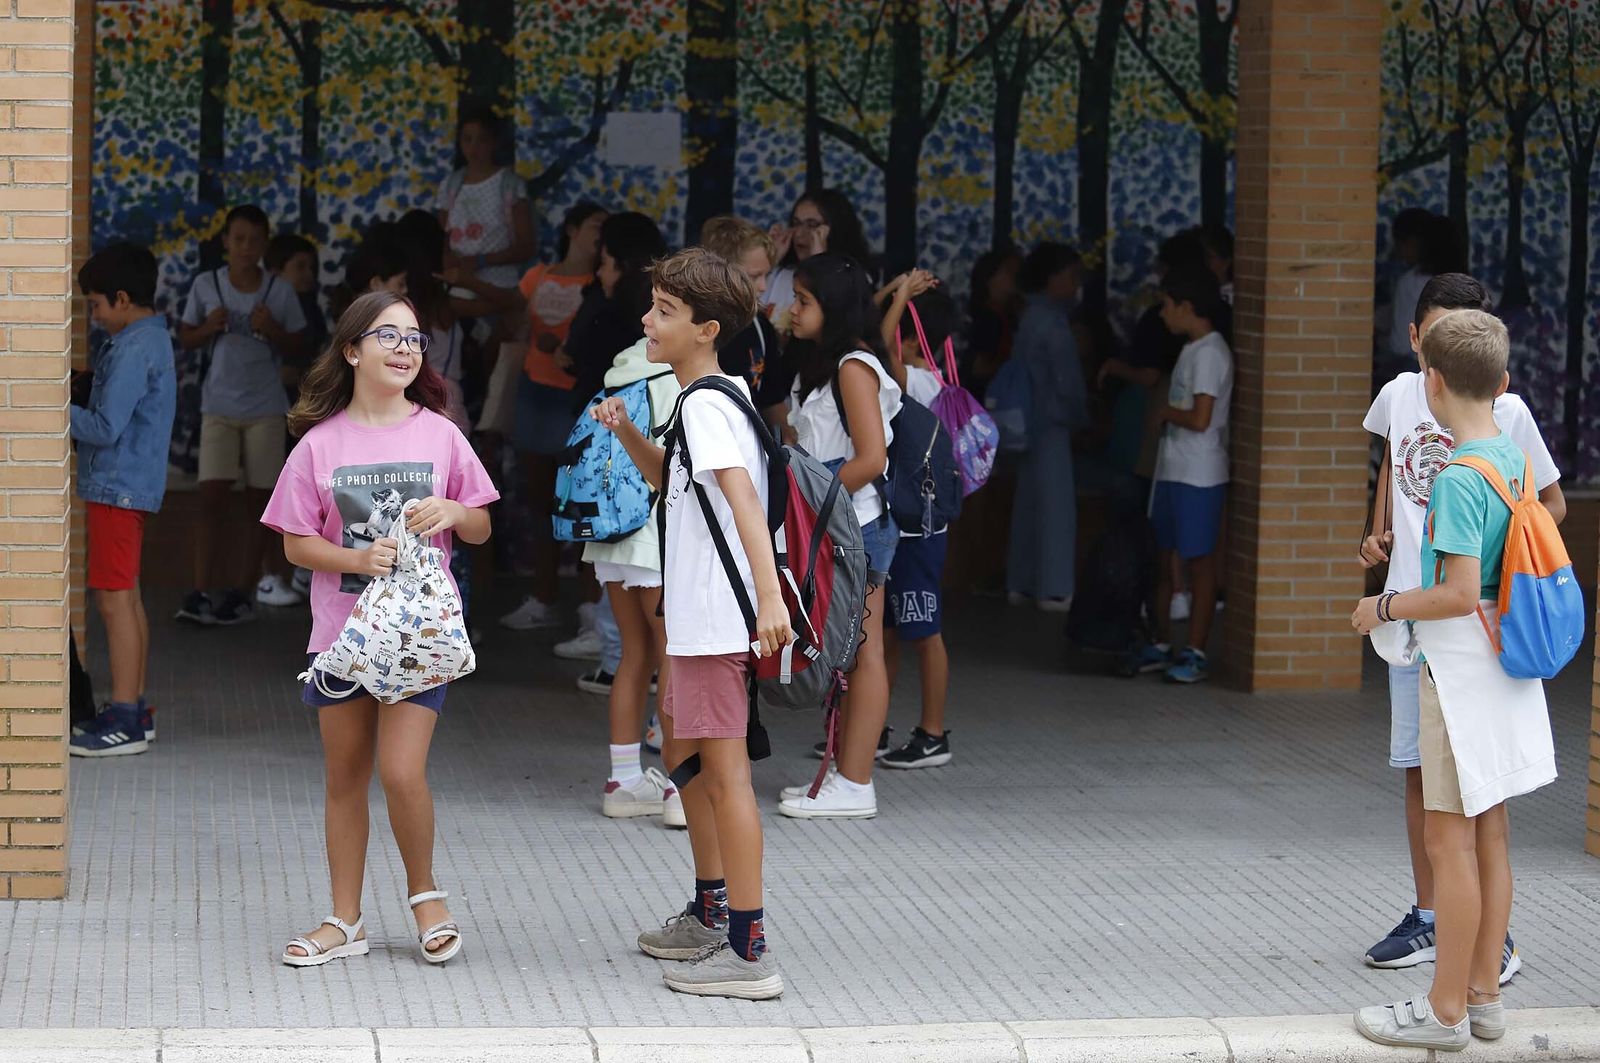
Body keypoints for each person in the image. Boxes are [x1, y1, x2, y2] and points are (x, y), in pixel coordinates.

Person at [261, 291, 498, 969]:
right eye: (387, 335)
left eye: (414, 338)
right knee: (345, 777)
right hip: (342, 639)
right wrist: (355, 559)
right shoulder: (319, 443)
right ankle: (345, 918)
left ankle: (426, 894)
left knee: (400, 770)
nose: (403, 348)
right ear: (352, 349)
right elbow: (296, 545)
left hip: (420, 638)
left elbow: (480, 525)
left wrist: (453, 509)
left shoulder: (440, 432)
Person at [1350, 309, 1557, 1051]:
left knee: (1449, 845)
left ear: (1431, 382)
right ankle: (1483, 996)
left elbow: (1459, 591)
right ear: (1501, 385)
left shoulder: (1459, 480)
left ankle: (1442, 1012)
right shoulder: (1511, 457)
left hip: (1460, 673)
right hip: (1504, 669)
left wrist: (1381, 606)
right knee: (1492, 835)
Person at [588, 247, 788, 999]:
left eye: (665, 311)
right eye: (653, 305)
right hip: (698, 626)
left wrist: (767, 602)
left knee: (725, 778)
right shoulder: (716, 396)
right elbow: (676, 484)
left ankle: (748, 947)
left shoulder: (705, 402)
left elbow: (741, 505)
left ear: (706, 329)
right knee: (691, 766)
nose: (648, 319)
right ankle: (712, 912)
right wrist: (627, 434)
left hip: (712, 627)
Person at [778, 253, 902, 819]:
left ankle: (855, 785)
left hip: (856, 525)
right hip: (840, 524)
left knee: (863, 652)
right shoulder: (829, 365)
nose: (792, 309)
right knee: (852, 652)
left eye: (804, 300)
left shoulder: (854, 366)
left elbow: (872, 459)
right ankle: (845, 779)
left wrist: (809, 501)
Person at [67, 243, 178, 758]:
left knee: (114, 601)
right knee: (126, 598)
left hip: (116, 487)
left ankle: (125, 717)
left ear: (122, 298)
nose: (92, 315)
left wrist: (52, 409)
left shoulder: (134, 348)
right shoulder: (149, 339)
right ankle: (131, 708)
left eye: (95, 305)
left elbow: (106, 427)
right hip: (128, 486)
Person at [176, 204, 308, 627]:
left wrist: (273, 331)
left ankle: (243, 592)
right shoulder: (206, 285)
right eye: (238, 239)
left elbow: (299, 346)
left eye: (254, 240)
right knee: (210, 497)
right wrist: (207, 328)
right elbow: (186, 337)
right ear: (225, 243)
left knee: (261, 502)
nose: (246, 248)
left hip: (266, 409)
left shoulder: (279, 291)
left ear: (264, 245)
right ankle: (198, 591)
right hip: (218, 406)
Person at [581, 333, 684, 824]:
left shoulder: (616, 378)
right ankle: (680, 789)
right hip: (657, 533)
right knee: (673, 658)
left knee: (633, 653)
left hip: (610, 534)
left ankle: (623, 781)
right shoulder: (679, 381)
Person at [493, 201, 607, 632]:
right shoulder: (537, 276)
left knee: (582, 505)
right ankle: (542, 597)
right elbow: (509, 319)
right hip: (534, 393)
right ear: (573, 229)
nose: (601, 234)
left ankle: (588, 608)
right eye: (596, 224)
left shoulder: (601, 284)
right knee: (540, 500)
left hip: (577, 401)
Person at [1121, 264, 1233, 683]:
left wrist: (1165, 412)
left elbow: (1202, 417)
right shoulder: (1191, 348)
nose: (1162, 314)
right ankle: (1164, 642)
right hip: (1174, 470)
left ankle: (1197, 649)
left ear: (1187, 306)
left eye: (1167, 305)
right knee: (1164, 557)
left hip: (1199, 475)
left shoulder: (1210, 352)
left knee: (1198, 562)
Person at [877, 272, 956, 769]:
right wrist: (891, 295)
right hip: (900, 522)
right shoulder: (934, 376)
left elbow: (883, 354)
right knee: (885, 632)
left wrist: (898, 297)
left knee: (923, 631)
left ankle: (932, 733)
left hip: (918, 530)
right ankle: (875, 724)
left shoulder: (925, 382)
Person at [1005, 243, 1087, 614]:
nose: (1075, 285)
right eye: (1072, 276)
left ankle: (1021, 582)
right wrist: (1082, 416)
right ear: (1054, 278)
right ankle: (1054, 588)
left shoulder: (1029, 316)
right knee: (1056, 509)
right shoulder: (1053, 322)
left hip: (1025, 423)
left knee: (1028, 506)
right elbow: (1067, 382)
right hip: (1052, 423)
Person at [436, 104, 533, 329]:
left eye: (481, 140)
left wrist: (480, 261)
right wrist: (450, 260)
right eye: (467, 140)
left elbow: (526, 246)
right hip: (457, 281)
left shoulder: (510, 185)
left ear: (494, 142)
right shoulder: (450, 185)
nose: (474, 148)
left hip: (499, 281)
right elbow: (441, 237)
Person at [764, 189, 875, 333]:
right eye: (796, 223)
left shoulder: (853, 277)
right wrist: (768, 260)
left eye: (812, 225)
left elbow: (840, 324)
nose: (799, 233)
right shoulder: (779, 274)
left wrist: (820, 260)